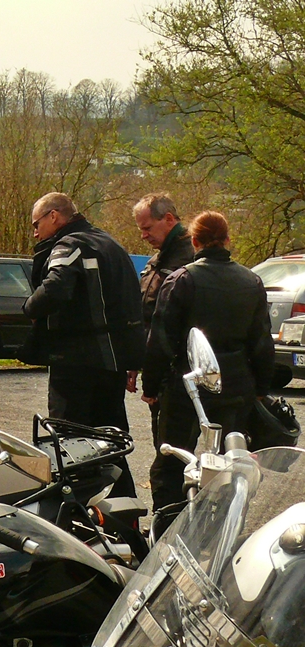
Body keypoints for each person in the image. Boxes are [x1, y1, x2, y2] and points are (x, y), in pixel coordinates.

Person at [141, 211, 273, 531]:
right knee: (230, 463)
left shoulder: (181, 280)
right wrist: (261, 387)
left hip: (189, 384)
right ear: (228, 241)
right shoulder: (251, 281)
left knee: (173, 461)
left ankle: (169, 530)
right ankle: (222, 533)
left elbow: (160, 340)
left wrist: (151, 386)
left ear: (195, 241)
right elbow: (261, 341)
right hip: (235, 383)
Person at [22, 192, 144, 496]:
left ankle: (77, 518)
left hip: (76, 363)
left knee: (70, 444)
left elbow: (56, 288)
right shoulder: (112, 244)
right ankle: (125, 511)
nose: (35, 233)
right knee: (110, 441)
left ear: (54, 216)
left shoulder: (69, 244)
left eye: (37, 224)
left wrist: (29, 308)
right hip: (112, 363)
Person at [127, 193, 194, 444]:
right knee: (165, 448)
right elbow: (145, 316)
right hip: (162, 371)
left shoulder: (191, 259)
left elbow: (166, 327)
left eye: (147, 228)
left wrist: (154, 381)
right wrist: (135, 360)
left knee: (172, 456)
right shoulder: (157, 260)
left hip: (180, 374)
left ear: (167, 219)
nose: (143, 235)